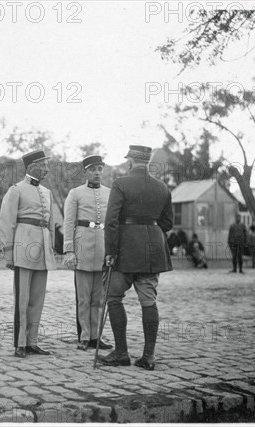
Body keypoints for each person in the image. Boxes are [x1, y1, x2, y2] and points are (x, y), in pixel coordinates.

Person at [99, 145, 173, 370]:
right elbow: (168, 223)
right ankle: (148, 357)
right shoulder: (162, 188)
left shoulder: (120, 184)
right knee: (148, 300)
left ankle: (121, 353)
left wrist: (110, 252)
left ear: (130, 161)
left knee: (113, 297)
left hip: (125, 250)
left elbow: (111, 221)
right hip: (152, 251)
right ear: (147, 162)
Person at [0, 149, 55, 358]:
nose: (48, 170)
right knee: (22, 299)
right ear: (33, 167)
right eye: (44, 165)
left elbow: (50, 224)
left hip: (42, 249)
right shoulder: (16, 190)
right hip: (23, 248)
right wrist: (8, 253)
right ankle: (20, 343)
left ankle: (32, 341)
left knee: (37, 298)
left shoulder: (47, 193)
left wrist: (50, 248)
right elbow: (6, 222)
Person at [63, 154, 113, 351]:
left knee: (99, 299)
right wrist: (69, 250)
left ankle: (96, 337)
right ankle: (84, 336)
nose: (97, 173)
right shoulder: (75, 193)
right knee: (83, 298)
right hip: (82, 246)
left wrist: (113, 250)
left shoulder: (110, 193)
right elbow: (68, 223)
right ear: (86, 171)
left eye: (100, 169)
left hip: (102, 247)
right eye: (93, 169)